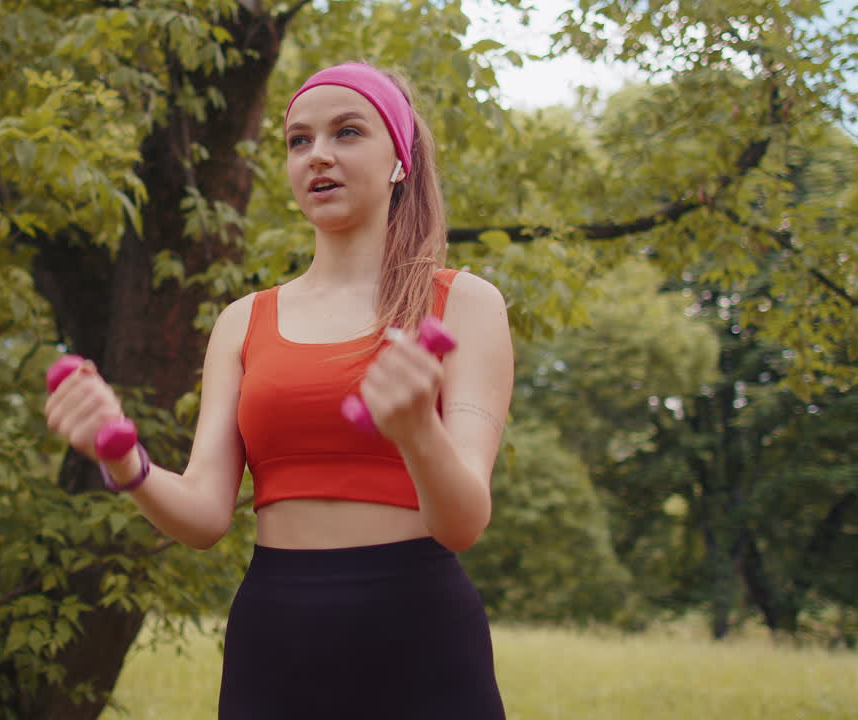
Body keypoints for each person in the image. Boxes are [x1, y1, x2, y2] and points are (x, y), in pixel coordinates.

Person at [45, 61, 513, 719]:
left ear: (399, 162)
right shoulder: (243, 321)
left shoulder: (463, 303)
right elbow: (207, 515)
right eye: (299, 140)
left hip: (421, 633)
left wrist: (416, 431)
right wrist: (127, 462)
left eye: (347, 133)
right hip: (276, 637)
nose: (318, 154)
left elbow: (463, 522)